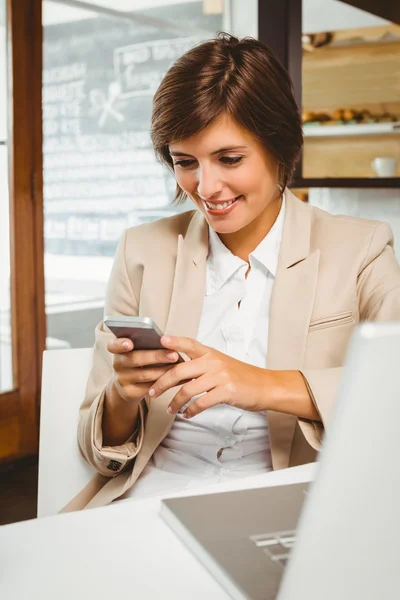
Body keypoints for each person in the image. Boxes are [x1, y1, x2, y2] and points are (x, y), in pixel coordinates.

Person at [63, 33, 400, 512]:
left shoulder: (361, 247)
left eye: (229, 159)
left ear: (280, 146)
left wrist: (264, 384)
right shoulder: (142, 251)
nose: (206, 186)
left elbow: (394, 393)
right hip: (150, 498)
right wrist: (122, 395)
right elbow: (96, 448)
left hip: (293, 501)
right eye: (185, 162)